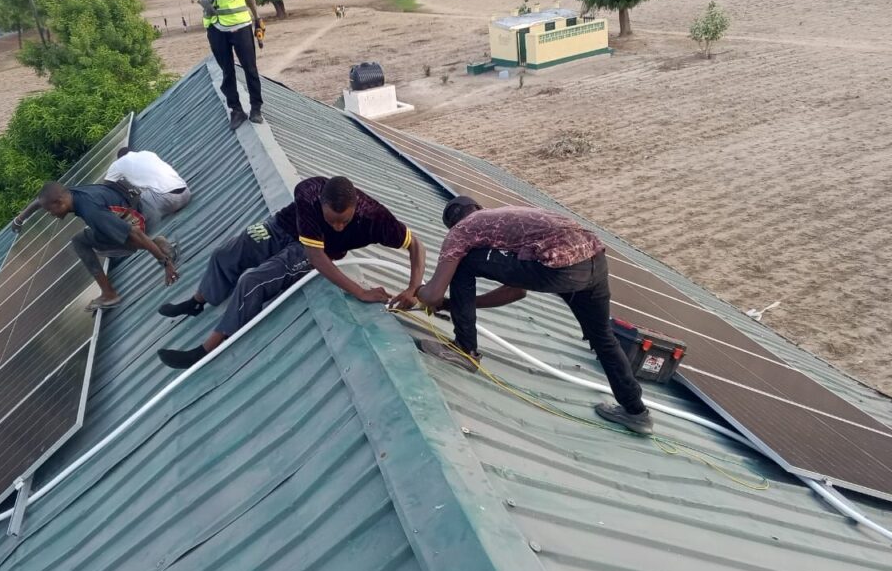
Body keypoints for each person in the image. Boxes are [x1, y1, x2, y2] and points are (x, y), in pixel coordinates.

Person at [414, 196, 654, 436]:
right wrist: (453, 304)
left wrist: (416, 292)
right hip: (595, 260)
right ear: (477, 208)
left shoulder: (461, 231)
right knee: (602, 336)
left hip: (562, 266)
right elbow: (516, 291)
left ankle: (464, 350)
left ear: (452, 224)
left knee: (463, 263)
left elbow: (433, 295)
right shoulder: (505, 219)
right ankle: (636, 412)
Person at [157, 176, 426, 369]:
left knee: (252, 281)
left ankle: (207, 348)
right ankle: (198, 301)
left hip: (316, 251)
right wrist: (360, 291)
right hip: (283, 228)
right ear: (321, 203)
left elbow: (416, 245)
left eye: (345, 221)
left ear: (356, 207)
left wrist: (413, 288)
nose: (339, 227)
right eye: (332, 220)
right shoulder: (308, 191)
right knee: (224, 253)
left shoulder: (376, 218)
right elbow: (313, 251)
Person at [12, 179, 181, 312]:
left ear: (59, 202)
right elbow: (41, 201)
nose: (51, 215)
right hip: (134, 208)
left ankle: (109, 294)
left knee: (80, 242)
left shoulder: (91, 211)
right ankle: (157, 245)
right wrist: (20, 218)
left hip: (138, 221)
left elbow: (134, 233)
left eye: (50, 211)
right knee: (91, 234)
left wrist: (165, 263)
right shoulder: (70, 193)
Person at [195, 0, 264, 130]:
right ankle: (236, 110)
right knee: (226, 71)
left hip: (239, 23)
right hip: (215, 25)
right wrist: (204, 3)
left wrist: (257, 17)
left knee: (250, 68)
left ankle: (256, 108)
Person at [106, 146, 191, 229]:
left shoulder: (117, 164)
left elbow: (105, 187)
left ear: (120, 158)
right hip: (186, 193)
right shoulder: (147, 153)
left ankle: (136, 228)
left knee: (131, 196)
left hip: (168, 200)